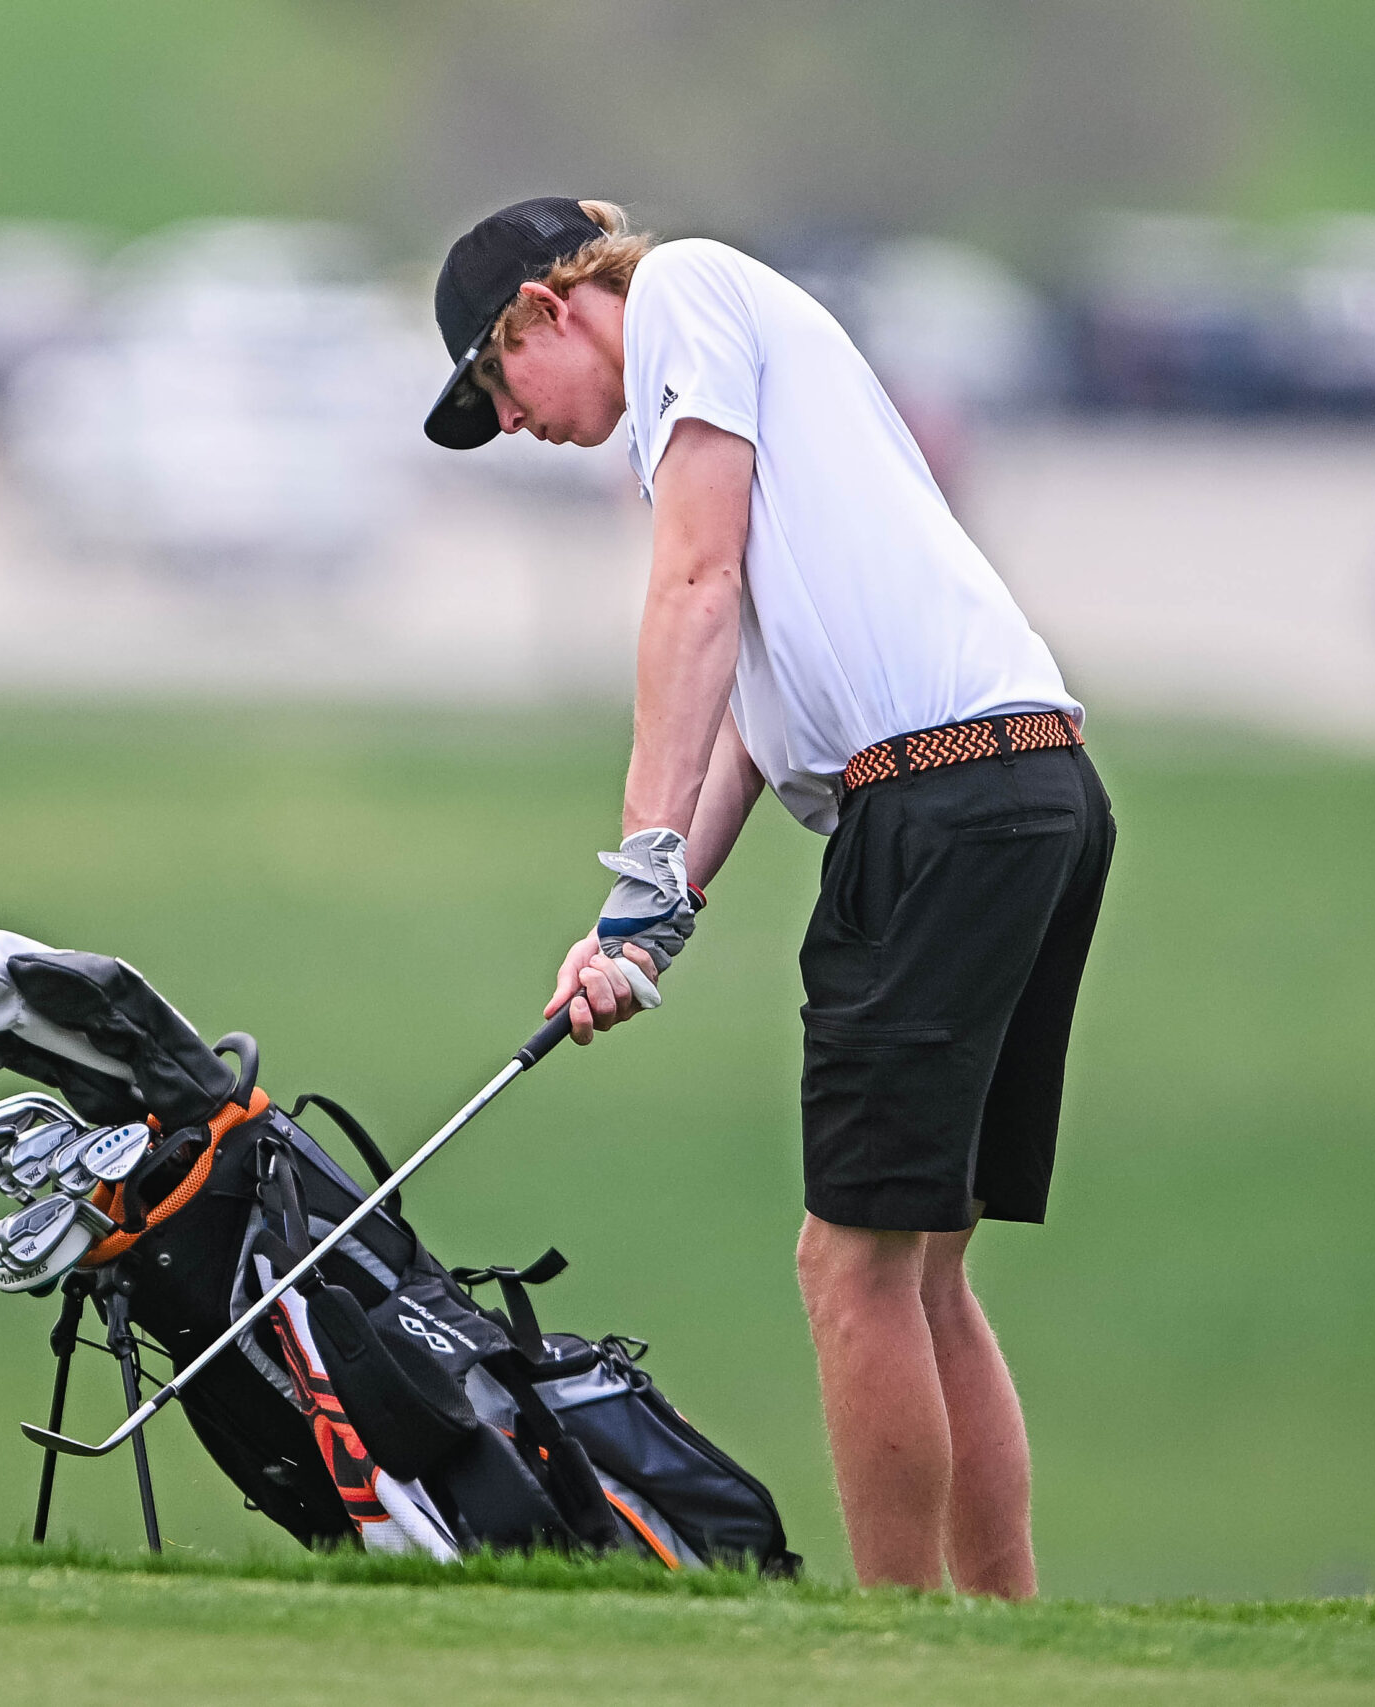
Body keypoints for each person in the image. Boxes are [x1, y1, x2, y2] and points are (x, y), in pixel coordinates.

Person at [421, 197, 1114, 1598]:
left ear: (550, 308)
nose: (508, 421)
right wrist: (644, 928)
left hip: (938, 806)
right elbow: (747, 720)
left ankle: (894, 1643)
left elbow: (694, 588)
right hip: (1026, 790)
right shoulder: (725, 401)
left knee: (848, 1268)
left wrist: (636, 867)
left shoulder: (684, 294)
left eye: (497, 381)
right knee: (921, 1271)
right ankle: (1003, 1640)